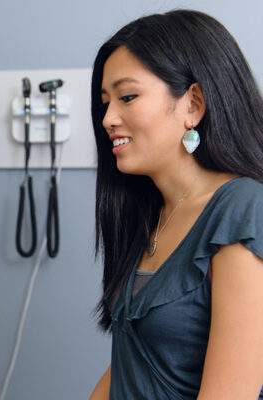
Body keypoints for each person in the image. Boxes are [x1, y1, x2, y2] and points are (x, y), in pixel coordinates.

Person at [88, 9, 263, 399]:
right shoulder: (154, 215)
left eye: (127, 97)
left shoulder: (242, 211)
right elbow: (133, 362)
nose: (108, 118)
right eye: (105, 102)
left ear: (193, 105)